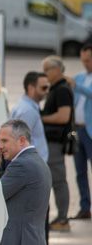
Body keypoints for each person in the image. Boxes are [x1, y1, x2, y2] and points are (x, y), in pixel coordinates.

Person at [10, 72, 63, 245]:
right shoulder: (28, 111)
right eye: (43, 88)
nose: (46, 92)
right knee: (39, 214)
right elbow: (19, 142)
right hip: (32, 171)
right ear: (30, 88)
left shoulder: (28, 108)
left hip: (33, 169)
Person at [41, 56, 74, 232]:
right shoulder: (56, 88)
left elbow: (64, 116)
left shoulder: (61, 90)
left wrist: (41, 118)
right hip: (51, 141)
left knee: (59, 181)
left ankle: (62, 219)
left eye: (47, 70)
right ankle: (61, 217)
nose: (44, 74)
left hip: (55, 142)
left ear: (57, 70)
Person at [71, 43, 92, 220]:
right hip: (78, 129)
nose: (86, 64)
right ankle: (85, 207)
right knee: (80, 171)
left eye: (89, 60)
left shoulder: (79, 82)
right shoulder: (79, 77)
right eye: (83, 60)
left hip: (90, 130)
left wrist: (76, 87)